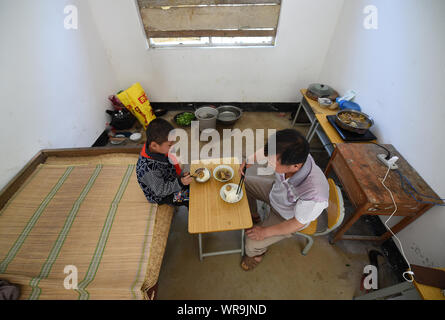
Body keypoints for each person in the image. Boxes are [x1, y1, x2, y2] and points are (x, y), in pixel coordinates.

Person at [239, 129, 329, 271]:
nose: (268, 164)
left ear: (295, 166)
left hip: (286, 216)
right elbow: (268, 151)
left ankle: (256, 255)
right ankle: (254, 215)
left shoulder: (315, 195)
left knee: (251, 242)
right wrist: (249, 160)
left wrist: (264, 232)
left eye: (272, 162)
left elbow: (296, 223)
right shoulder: (291, 155)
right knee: (243, 184)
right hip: (275, 192)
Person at [136, 118, 193, 207]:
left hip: (170, 178)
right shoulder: (149, 170)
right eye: (170, 145)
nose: (173, 146)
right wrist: (180, 182)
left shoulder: (157, 148)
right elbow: (160, 191)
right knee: (191, 197)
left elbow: (171, 164)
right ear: (154, 145)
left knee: (195, 183)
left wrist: (180, 176)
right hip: (162, 195)